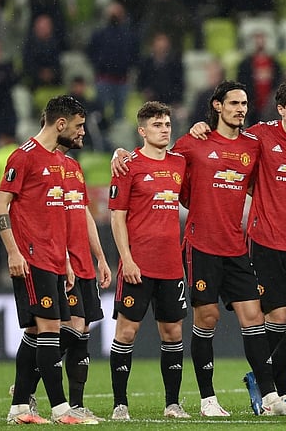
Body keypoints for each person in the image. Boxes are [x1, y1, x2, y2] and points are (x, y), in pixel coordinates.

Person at [169, 81, 286, 417]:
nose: (241, 108)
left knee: (253, 317)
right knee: (206, 318)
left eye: (245, 103)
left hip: (236, 246)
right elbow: (161, 166)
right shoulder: (194, 142)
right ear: (217, 106)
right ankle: (208, 399)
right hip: (201, 245)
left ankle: (269, 397)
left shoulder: (252, 146)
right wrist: (121, 155)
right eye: (234, 103)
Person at [0, 95, 95, 424]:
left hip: (54, 259)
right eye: (78, 125)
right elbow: (0, 206)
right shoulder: (23, 157)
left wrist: (65, 259)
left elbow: (52, 216)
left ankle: (20, 407)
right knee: (50, 329)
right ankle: (61, 409)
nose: (83, 131)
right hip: (32, 258)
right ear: (61, 124)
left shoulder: (57, 162)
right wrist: (13, 251)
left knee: (40, 333)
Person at [107, 101, 190, 421]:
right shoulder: (128, 165)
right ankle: (119, 404)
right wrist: (125, 259)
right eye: (157, 125)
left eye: (167, 124)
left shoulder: (180, 163)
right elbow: (117, 217)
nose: (164, 129)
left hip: (172, 265)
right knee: (126, 332)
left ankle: (172, 404)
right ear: (141, 131)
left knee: (172, 333)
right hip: (137, 265)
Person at [57, 117, 113, 421]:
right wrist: (63, 256)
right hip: (60, 262)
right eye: (78, 127)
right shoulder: (44, 167)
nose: (82, 132)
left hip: (84, 262)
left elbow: (85, 215)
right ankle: (29, 383)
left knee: (84, 329)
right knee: (74, 328)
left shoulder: (74, 168)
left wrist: (101, 258)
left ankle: (76, 405)